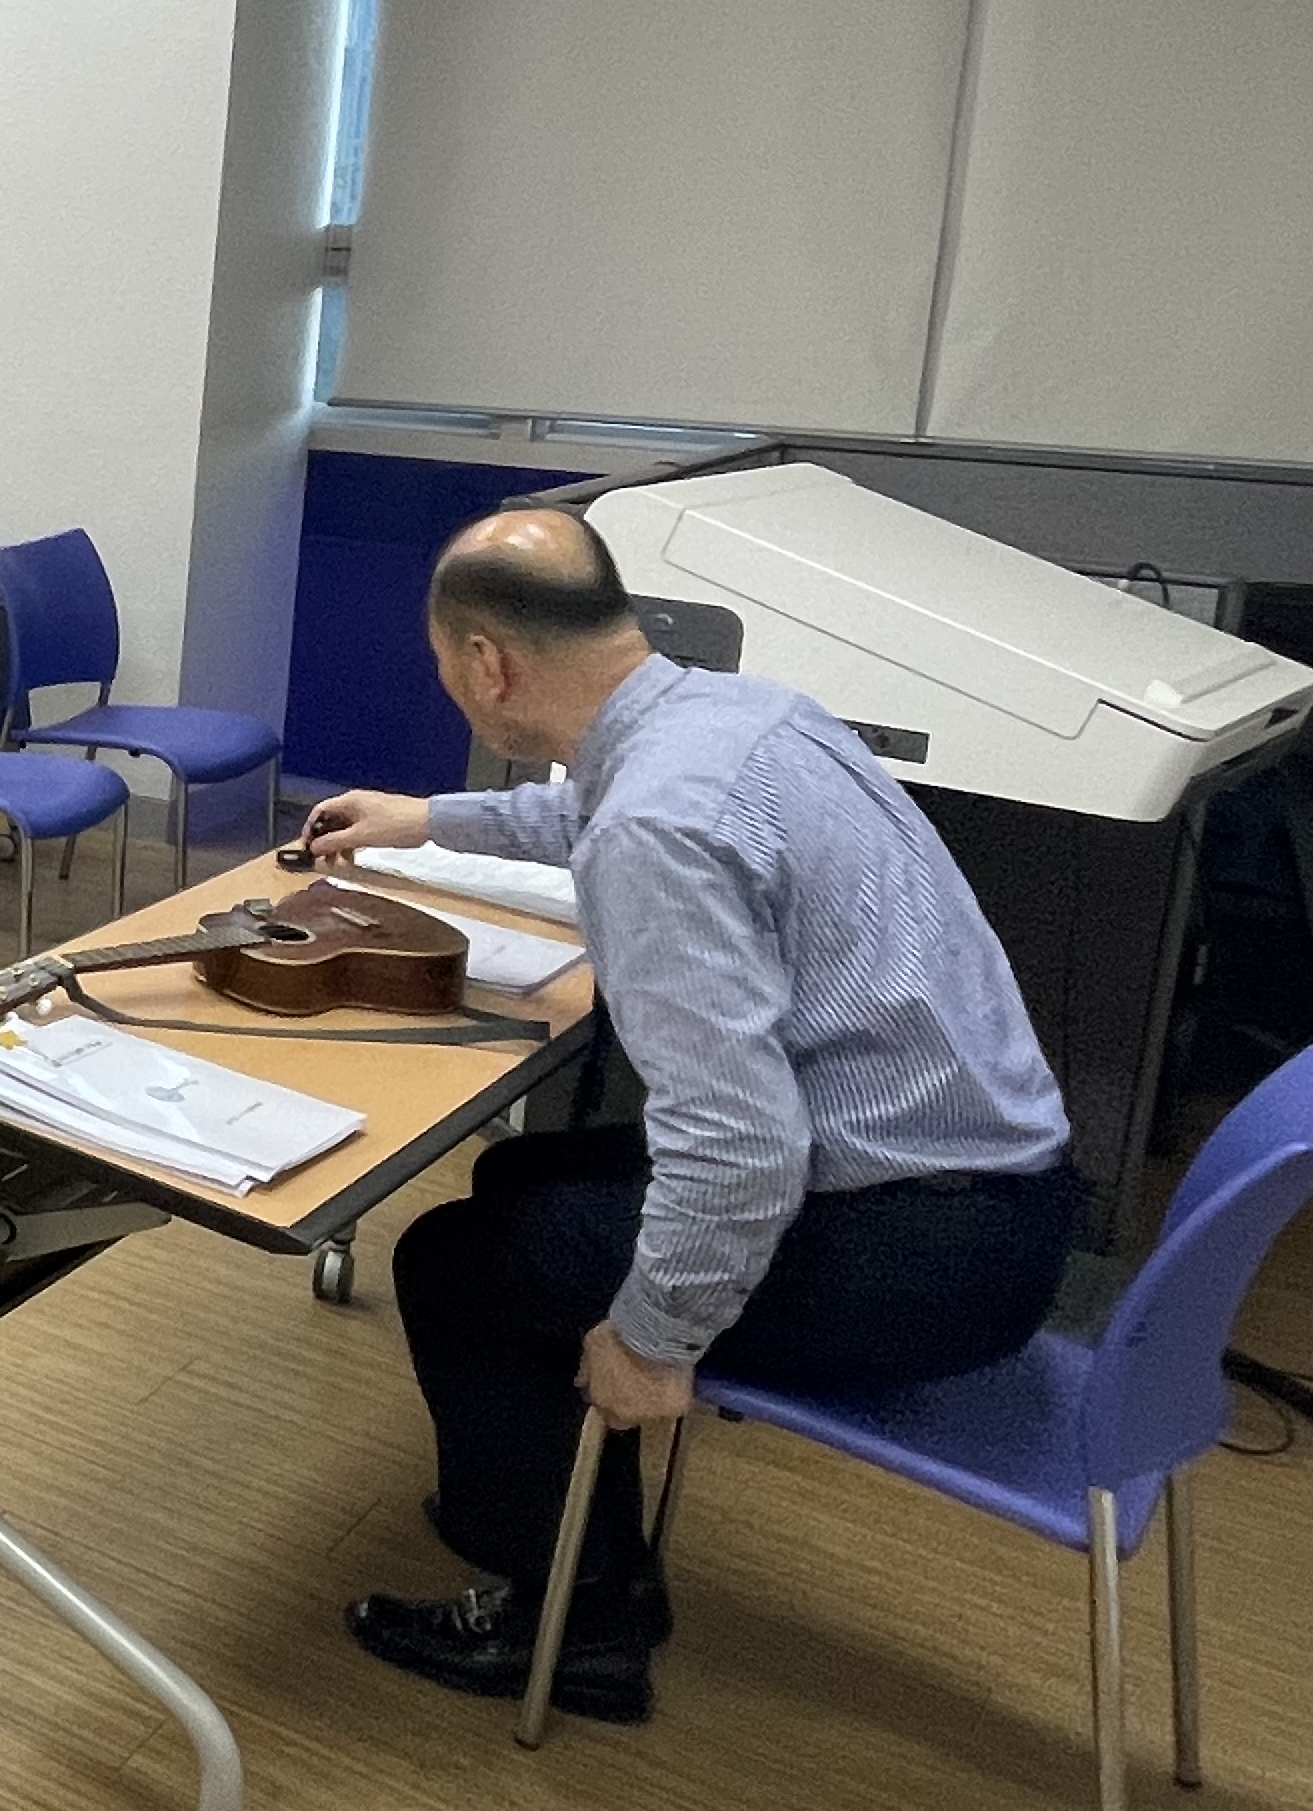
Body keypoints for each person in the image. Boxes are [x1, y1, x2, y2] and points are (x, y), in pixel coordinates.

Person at [301, 507, 1074, 1722]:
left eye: (446, 664)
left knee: (455, 1263)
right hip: (994, 1189)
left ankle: (578, 1628)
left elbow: (739, 1146)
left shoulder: (657, 828)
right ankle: (543, 1498)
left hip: (927, 1252)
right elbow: (591, 808)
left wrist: (655, 1340)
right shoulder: (741, 714)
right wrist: (428, 818)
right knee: (521, 1184)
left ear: (489, 664)